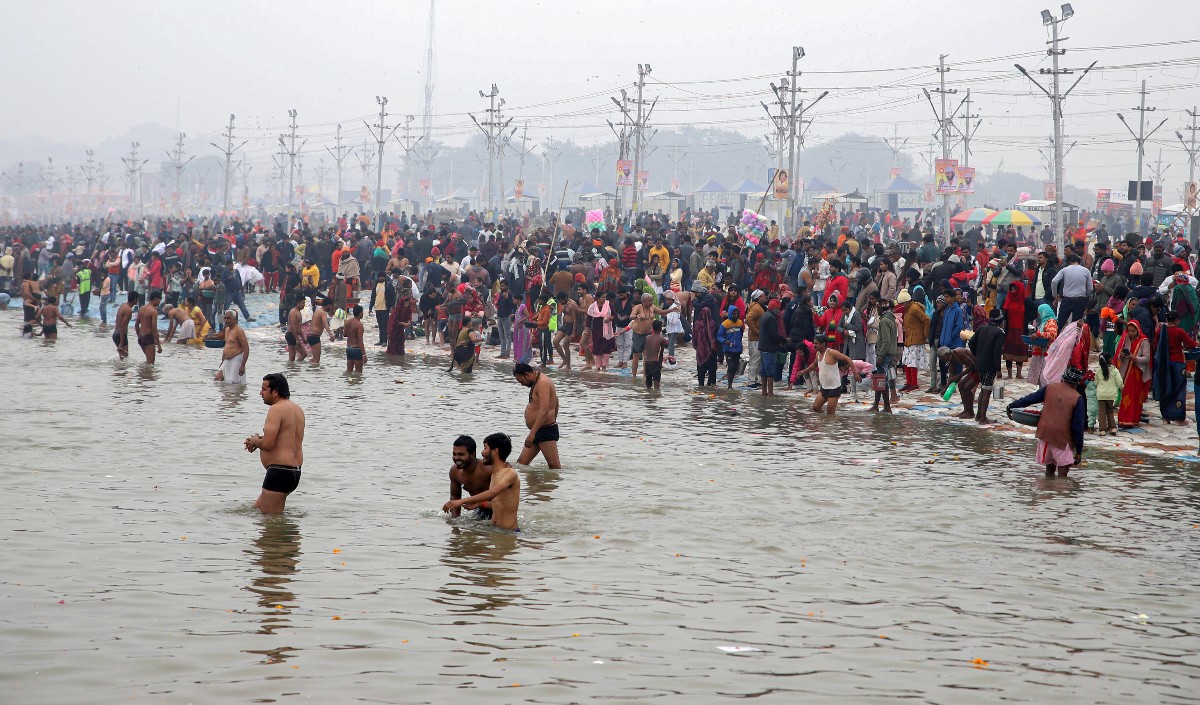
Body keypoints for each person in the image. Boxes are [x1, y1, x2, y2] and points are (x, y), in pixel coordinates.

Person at [1007, 365, 1087, 477]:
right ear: (1077, 383)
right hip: (1062, 439)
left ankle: (1046, 490)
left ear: (1063, 378)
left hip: (1044, 434)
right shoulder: (1077, 398)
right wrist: (1079, 451)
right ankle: (1059, 493)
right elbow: (1077, 427)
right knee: (1063, 473)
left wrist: (1012, 405)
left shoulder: (1050, 387)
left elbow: (1030, 398)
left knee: (1049, 469)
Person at [243, 373, 305, 513]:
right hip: (294, 472)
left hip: (279, 472)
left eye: (264, 389)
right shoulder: (297, 409)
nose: (260, 393)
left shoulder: (276, 409)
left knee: (271, 527)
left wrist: (255, 441)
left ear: (275, 392)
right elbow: (284, 440)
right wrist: (259, 440)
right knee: (256, 511)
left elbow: (268, 444)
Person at [443, 432, 520, 531]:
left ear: (495, 451)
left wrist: (461, 501)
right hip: (495, 529)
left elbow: (492, 494)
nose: (482, 452)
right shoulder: (495, 474)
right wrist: (456, 523)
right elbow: (498, 502)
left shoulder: (507, 473)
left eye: (485, 448)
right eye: (454, 454)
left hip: (509, 532)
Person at [513, 362, 561, 468]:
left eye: (522, 381)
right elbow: (556, 401)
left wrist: (532, 434)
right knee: (521, 464)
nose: (522, 384)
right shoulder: (536, 381)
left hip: (545, 430)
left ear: (527, 374)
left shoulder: (542, 383)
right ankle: (535, 484)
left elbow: (544, 410)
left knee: (554, 467)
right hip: (538, 429)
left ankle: (557, 483)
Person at [1153, 310, 1197, 426]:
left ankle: (1166, 417)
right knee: (1179, 391)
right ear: (1177, 320)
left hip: (1164, 364)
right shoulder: (1179, 331)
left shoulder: (1160, 332)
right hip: (1177, 364)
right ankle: (1178, 418)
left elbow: (1155, 346)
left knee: (1165, 389)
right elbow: (1192, 344)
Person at [801, 334, 853, 415]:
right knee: (816, 407)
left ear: (823, 344)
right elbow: (815, 364)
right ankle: (824, 424)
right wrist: (805, 371)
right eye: (814, 343)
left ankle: (833, 425)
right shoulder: (818, 354)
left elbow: (848, 359)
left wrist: (855, 373)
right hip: (824, 387)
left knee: (830, 413)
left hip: (834, 388)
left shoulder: (832, 353)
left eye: (816, 343)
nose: (814, 345)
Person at [447, 435, 494, 520]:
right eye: (454, 454)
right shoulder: (455, 471)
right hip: (479, 511)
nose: (456, 458)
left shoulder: (488, 470)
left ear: (472, 454)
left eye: (461, 454)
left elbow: (505, 502)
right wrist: (455, 522)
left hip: (498, 513)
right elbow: (455, 496)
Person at [1116, 320, 1151, 428]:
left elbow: (1147, 358)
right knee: (1126, 395)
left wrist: (1134, 358)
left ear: (1138, 330)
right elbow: (1117, 355)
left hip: (1137, 373)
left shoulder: (1144, 341)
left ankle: (1133, 420)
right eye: (1129, 330)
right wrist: (1121, 356)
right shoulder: (1125, 339)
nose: (1130, 333)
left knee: (1135, 397)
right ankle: (1124, 420)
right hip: (1126, 372)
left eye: (1133, 331)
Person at [216, 310, 249, 383]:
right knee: (217, 379)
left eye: (228, 318)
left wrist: (243, 365)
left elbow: (246, 349)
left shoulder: (239, 331)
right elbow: (226, 345)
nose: (226, 320)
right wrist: (222, 362)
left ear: (234, 319)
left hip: (236, 359)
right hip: (226, 360)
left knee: (233, 385)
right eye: (225, 318)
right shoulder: (227, 329)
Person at [1094, 353, 1123, 436]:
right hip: (1110, 395)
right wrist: (1122, 388)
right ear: (1110, 360)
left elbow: (1096, 383)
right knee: (1110, 411)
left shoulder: (1099, 371)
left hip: (1101, 395)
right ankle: (1113, 428)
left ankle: (1102, 429)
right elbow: (1120, 382)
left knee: (1102, 412)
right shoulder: (1114, 370)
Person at [717, 305, 744, 388]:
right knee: (731, 366)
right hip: (728, 349)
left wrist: (740, 345)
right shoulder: (725, 324)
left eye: (737, 314)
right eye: (734, 314)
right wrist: (725, 341)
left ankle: (730, 383)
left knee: (735, 367)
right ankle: (729, 385)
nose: (736, 315)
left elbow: (741, 334)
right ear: (730, 314)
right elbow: (719, 336)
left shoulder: (740, 323)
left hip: (737, 349)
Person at [136, 290, 163, 363]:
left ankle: (141, 374)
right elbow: (154, 329)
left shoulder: (141, 309)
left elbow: (136, 324)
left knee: (148, 360)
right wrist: (158, 345)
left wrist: (139, 336)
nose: (159, 303)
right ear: (156, 299)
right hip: (148, 338)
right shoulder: (153, 311)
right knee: (151, 363)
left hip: (141, 338)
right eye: (159, 301)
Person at [642, 320, 667, 390]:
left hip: (647, 363)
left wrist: (644, 368)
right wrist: (660, 364)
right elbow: (661, 353)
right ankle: (655, 397)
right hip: (655, 363)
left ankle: (648, 399)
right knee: (656, 385)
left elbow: (645, 352)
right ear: (660, 328)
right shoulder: (662, 339)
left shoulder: (647, 338)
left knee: (648, 386)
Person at [112, 291, 137, 359]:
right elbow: (123, 327)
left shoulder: (123, 306)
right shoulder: (128, 310)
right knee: (124, 359)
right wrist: (122, 342)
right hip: (121, 335)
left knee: (123, 358)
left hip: (116, 334)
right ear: (135, 299)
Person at [309, 297, 331, 365]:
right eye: (331, 305)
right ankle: (314, 374)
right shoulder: (323, 312)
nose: (331, 307)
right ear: (328, 305)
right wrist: (331, 334)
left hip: (311, 336)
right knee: (317, 359)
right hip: (314, 336)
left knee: (314, 358)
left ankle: (307, 370)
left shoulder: (317, 311)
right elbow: (325, 323)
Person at [345, 305, 365, 374]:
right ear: (360, 313)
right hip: (356, 349)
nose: (363, 314)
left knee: (348, 371)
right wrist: (364, 354)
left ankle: (348, 384)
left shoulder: (348, 322)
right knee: (358, 373)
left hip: (349, 349)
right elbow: (360, 341)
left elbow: (345, 334)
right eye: (362, 312)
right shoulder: (359, 325)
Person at [286, 297, 307, 362]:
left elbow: (298, 327)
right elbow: (292, 326)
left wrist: (303, 338)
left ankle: (295, 368)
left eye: (304, 303)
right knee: (293, 358)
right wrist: (297, 339)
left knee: (303, 354)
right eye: (303, 303)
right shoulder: (293, 312)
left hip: (295, 335)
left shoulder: (298, 312)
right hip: (291, 335)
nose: (304, 305)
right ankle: (292, 369)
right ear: (298, 303)